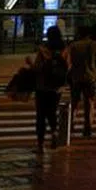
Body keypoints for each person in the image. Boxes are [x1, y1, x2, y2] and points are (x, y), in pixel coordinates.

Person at [30, 25, 68, 153]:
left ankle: (40, 144)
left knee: (41, 114)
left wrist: (30, 64)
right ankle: (54, 132)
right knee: (52, 111)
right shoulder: (64, 50)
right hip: (57, 87)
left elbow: (38, 68)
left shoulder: (44, 50)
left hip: (42, 87)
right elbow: (68, 67)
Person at [67, 24, 96, 138]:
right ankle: (88, 127)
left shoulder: (73, 46)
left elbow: (68, 62)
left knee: (74, 102)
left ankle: (70, 124)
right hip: (90, 77)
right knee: (89, 102)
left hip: (76, 77)